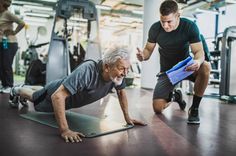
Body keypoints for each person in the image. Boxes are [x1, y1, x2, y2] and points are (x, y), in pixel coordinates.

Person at [9, 47, 146, 143]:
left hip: (61, 92)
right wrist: (65, 130)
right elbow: (57, 97)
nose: (125, 73)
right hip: (55, 92)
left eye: (127, 68)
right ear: (106, 67)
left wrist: (128, 118)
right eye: (122, 68)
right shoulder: (87, 71)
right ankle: (16, 90)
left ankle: (30, 88)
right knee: (35, 98)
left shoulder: (116, 77)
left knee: (41, 90)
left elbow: (121, 92)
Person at [136, 0, 211, 124]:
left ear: (177, 16)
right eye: (162, 21)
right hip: (167, 71)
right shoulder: (155, 28)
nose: (165, 25)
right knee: (158, 108)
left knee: (206, 66)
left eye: (169, 21)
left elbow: (199, 51)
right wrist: (142, 56)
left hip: (187, 68)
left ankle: (194, 109)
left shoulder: (189, 26)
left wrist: (197, 61)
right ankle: (176, 96)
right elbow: (148, 50)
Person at [0, 0, 25, 93]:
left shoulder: (7, 13)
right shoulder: (1, 14)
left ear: (2, 3)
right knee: (1, 65)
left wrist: (14, 32)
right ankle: (4, 85)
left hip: (10, 43)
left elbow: (21, 23)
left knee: (6, 64)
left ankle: (10, 86)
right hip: (2, 43)